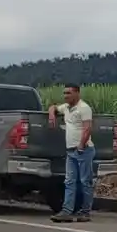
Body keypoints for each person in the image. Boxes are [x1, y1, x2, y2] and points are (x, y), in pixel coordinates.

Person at [47, 83, 94, 223]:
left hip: (83, 150)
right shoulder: (66, 108)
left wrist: (81, 145)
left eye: (69, 93)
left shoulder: (84, 108)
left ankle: (85, 212)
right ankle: (66, 211)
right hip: (71, 151)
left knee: (85, 181)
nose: (66, 96)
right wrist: (51, 115)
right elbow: (53, 107)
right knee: (69, 181)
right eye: (64, 93)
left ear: (77, 93)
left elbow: (87, 128)